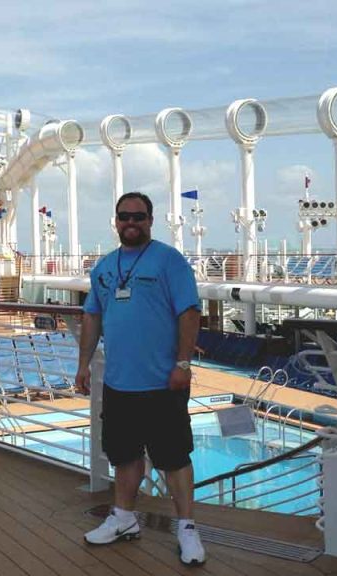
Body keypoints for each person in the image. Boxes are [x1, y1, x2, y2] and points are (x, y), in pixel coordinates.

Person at [75, 191, 206, 566]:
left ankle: (187, 528)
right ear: (115, 221)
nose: (130, 223)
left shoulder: (170, 261)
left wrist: (182, 364)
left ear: (150, 220)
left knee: (174, 458)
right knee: (124, 455)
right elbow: (92, 317)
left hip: (163, 383)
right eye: (124, 216)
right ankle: (124, 518)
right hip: (119, 383)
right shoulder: (104, 267)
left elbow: (189, 313)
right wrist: (83, 364)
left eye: (138, 216)